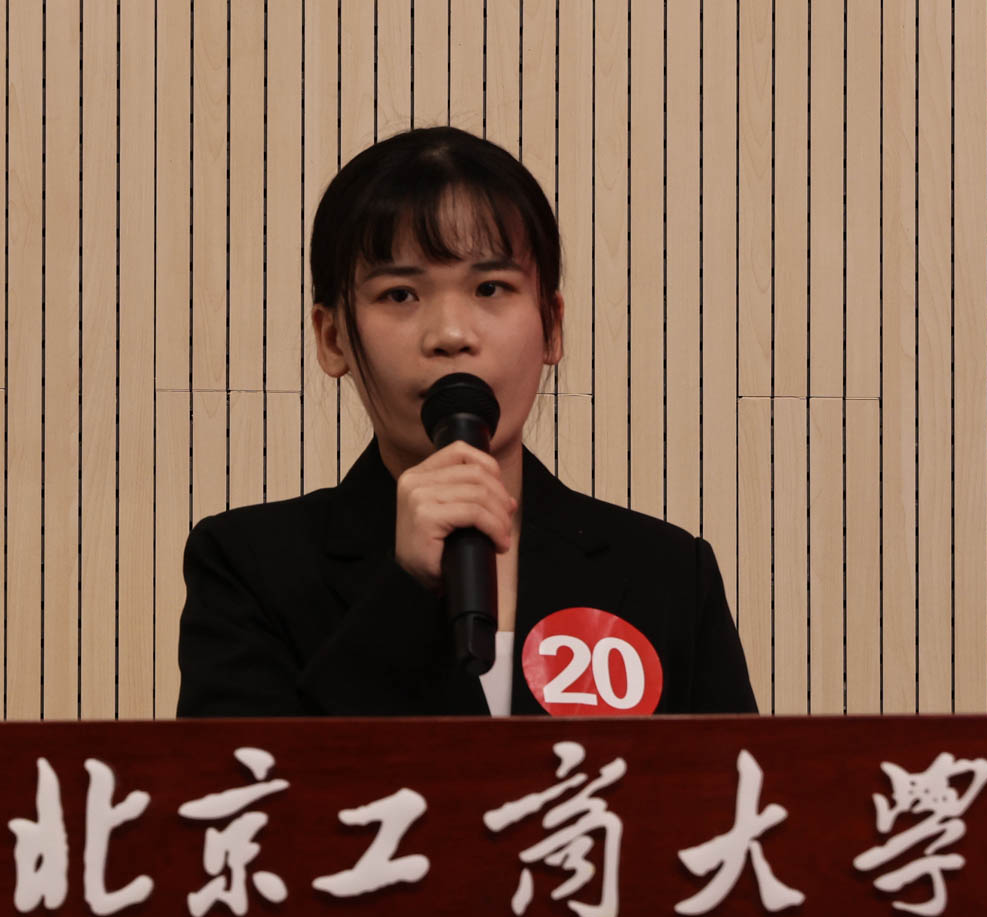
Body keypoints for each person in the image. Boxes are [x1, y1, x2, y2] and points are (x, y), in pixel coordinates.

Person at [177, 126, 757, 718]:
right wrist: (404, 590)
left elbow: (742, 776)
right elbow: (249, 776)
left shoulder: (666, 574)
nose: (452, 334)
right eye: (400, 295)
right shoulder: (248, 566)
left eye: (490, 287)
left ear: (551, 326)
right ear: (332, 339)